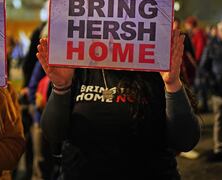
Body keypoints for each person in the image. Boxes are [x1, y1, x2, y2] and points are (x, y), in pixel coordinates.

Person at [37, 29, 200, 179]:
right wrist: (61, 87)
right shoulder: (77, 64)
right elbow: (53, 135)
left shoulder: (155, 66)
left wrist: (172, 84)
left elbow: (184, 141)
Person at [198, 21, 222, 162]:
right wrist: (212, 82)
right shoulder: (211, 46)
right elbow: (203, 67)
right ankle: (218, 147)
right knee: (219, 119)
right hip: (218, 90)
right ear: (218, 31)